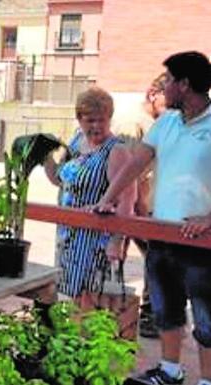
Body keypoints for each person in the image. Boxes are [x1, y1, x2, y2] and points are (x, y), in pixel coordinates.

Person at [95, 51, 211, 385]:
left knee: (206, 318)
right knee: (166, 309)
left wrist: (209, 218)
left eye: (169, 81)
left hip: (201, 240)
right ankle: (171, 371)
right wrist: (108, 198)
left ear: (185, 84)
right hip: (162, 232)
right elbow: (136, 164)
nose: (163, 88)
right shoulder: (166, 122)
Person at [43, 87, 136, 298]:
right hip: (68, 235)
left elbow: (128, 199)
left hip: (95, 240)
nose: (96, 126)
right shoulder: (77, 142)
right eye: (90, 120)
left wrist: (117, 240)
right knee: (65, 296)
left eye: (102, 120)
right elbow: (61, 180)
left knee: (89, 300)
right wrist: (45, 155)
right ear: (79, 119)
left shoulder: (116, 151)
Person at [112, 73, 168, 339]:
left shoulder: (159, 122)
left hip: (147, 206)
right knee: (154, 259)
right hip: (131, 207)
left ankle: (147, 313)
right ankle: (142, 313)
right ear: (152, 94)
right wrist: (141, 219)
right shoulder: (133, 123)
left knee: (157, 260)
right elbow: (129, 175)